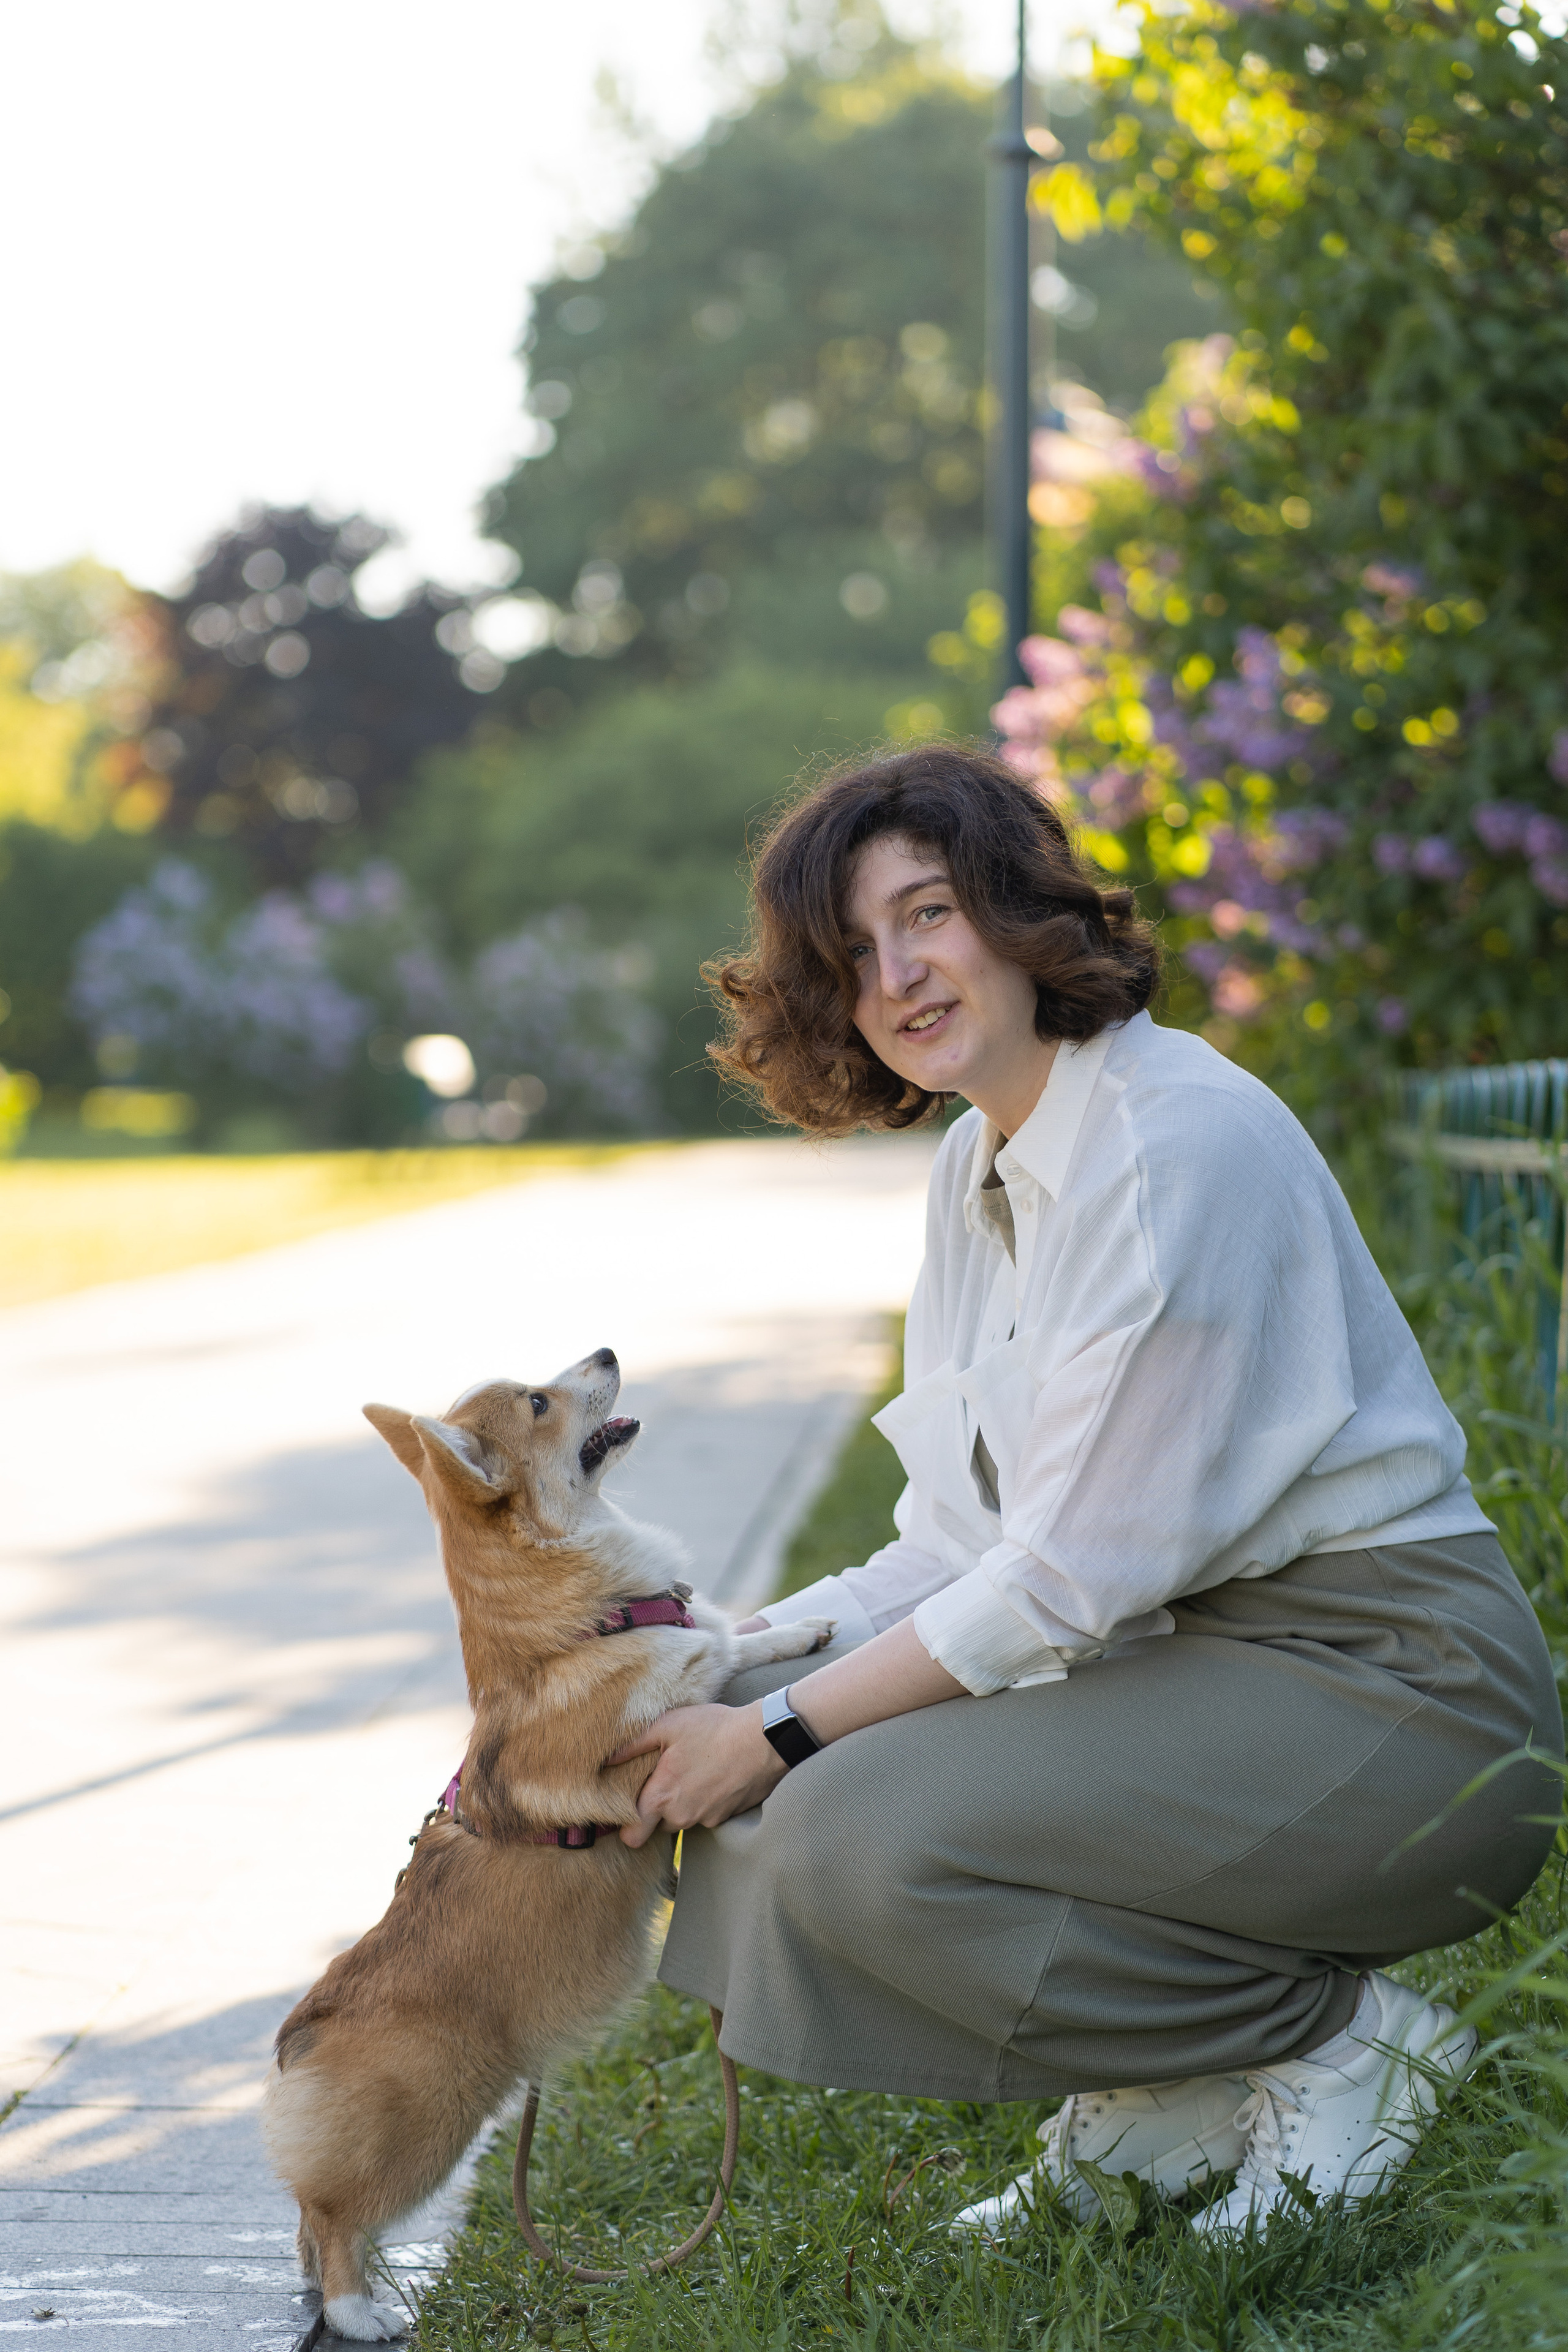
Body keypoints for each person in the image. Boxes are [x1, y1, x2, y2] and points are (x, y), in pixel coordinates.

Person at [611, 744, 1562, 2237]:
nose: (896, 976)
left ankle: (1337, 2048)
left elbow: (1062, 1583)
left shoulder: (1170, 1144)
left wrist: (776, 1730)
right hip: (1199, 1670)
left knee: (839, 1820)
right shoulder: (974, 1168)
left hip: (1403, 1698)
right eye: (852, 952)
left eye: (925, 913)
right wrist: (720, 1667)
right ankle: (1169, 2084)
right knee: (759, 1769)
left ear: (1013, 905)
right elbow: (952, 1543)